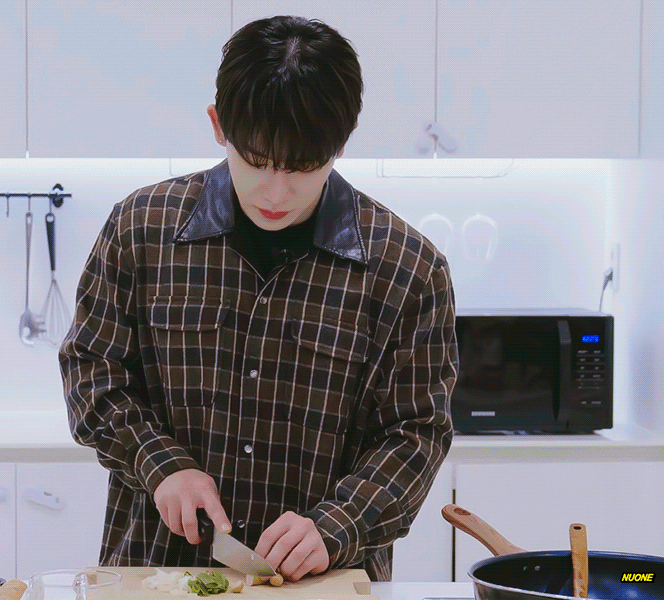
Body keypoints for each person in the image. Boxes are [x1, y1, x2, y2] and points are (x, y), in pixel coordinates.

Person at [59, 15, 457, 583]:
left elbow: (417, 433)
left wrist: (338, 524)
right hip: (157, 572)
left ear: (343, 139)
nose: (276, 191)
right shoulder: (140, 229)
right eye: (255, 160)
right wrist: (160, 464)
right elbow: (92, 370)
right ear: (218, 125)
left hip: (320, 583)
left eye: (303, 166)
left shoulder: (407, 269)